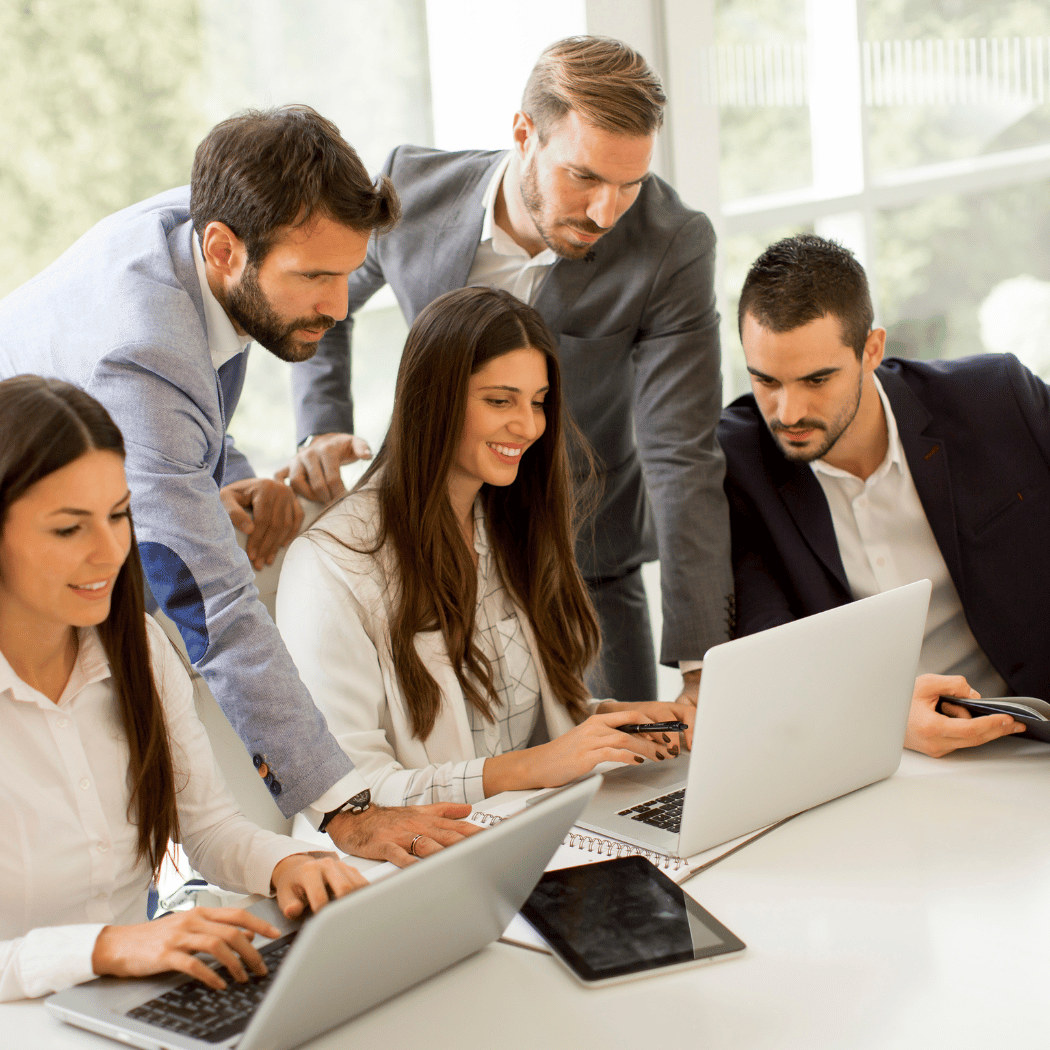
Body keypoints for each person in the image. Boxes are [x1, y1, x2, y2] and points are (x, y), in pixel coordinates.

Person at [0, 106, 478, 859]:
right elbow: (211, 606)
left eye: (348, 273)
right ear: (224, 248)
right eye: (315, 277)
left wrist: (234, 477)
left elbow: (193, 408)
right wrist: (342, 808)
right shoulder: (142, 354)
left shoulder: (212, 227)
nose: (339, 306)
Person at [283, 36, 733, 709]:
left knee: (636, 780)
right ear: (525, 133)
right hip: (429, 550)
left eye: (629, 184)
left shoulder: (672, 242)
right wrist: (321, 426)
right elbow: (327, 295)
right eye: (584, 177)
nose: (607, 212)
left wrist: (703, 662)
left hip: (584, 566)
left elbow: (682, 452)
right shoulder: (414, 190)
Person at [0, 376, 375, 1002]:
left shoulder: (138, 651)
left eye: (120, 516)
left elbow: (209, 829)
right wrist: (107, 946)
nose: (109, 552)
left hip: (132, 1008)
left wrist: (288, 865)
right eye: (69, 529)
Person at [276, 288, 696, 812]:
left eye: (538, 402)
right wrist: (536, 766)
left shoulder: (507, 524)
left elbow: (504, 729)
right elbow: (347, 793)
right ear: (434, 399)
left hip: (536, 827)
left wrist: (600, 727)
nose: (528, 426)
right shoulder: (331, 562)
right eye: (500, 401)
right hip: (418, 865)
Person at [718, 233, 1048, 757]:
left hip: (1034, 742)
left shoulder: (995, 399)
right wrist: (885, 719)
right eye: (766, 381)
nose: (787, 411)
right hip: (876, 760)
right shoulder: (741, 463)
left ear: (872, 349)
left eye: (816, 379)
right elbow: (768, 659)